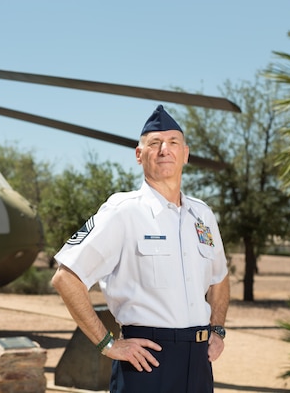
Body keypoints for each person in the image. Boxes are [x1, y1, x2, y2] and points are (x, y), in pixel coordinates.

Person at [51, 104, 230, 392]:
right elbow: (66, 278)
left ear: (185, 154)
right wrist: (107, 343)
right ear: (139, 155)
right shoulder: (122, 211)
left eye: (173, 143)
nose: (164, 150)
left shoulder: (203, 215)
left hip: (199, 363)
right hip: (146, 362)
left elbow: (219, 277)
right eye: (154, 144)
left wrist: (218, 329)